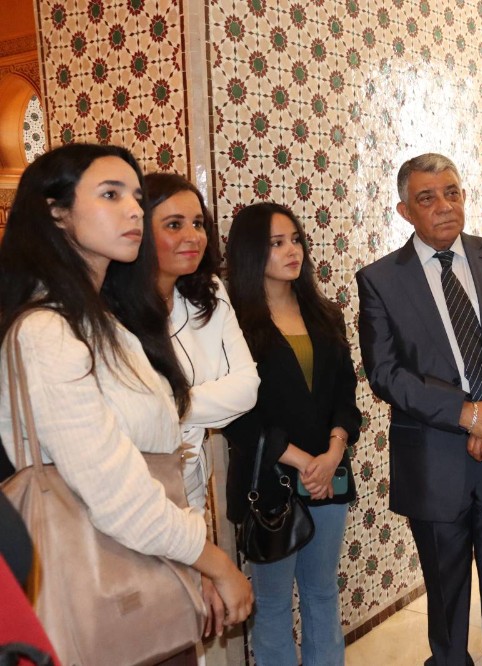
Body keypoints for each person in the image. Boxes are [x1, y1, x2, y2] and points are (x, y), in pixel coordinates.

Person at [0, 144, 254, 652]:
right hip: (101, 585)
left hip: (151, 567)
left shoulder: (109, 323)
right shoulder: (47, 332)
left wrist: (191, 560)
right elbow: (117, 492)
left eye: (137, 197)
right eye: (111, 195)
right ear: (57, 213)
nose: (134, 210)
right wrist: (214, 561)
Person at [356, 153, 482, 665]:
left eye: (452, 192)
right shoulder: (380, 280)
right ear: (405, 211)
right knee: (445, 599)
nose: (444, 206)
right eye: (427, 198)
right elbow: (385, 372)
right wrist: (466, 415)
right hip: (434, 463)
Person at [223, 202, 361, 666]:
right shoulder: (234, 324)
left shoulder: (325, 314)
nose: (292, 250)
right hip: (270, 483)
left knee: (322, 592)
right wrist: (302, 461)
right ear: (250, 252)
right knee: (274, 603)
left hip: (329, 478)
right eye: (276, 243)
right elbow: (237, 416)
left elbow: (345, 393)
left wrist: (334, 450)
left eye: (295, 239)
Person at [145, 172, 261, 638]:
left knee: (189, 623)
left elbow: (248, 387)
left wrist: (169, 405)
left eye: (198, 223)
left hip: (190, 483)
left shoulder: (207, 292)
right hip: (139, 492)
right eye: (174, 224)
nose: (192, 235)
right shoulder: (110, 309)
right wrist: (176, 406)